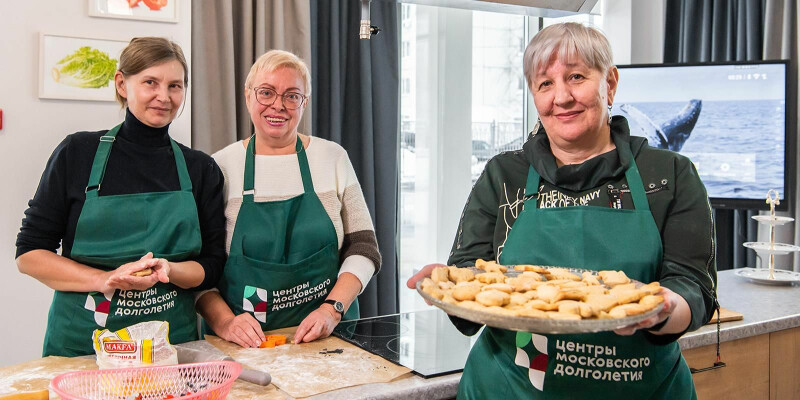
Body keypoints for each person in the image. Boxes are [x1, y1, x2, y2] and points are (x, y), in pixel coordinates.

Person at [407, 23, 716, 399]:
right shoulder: (505, 175)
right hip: (507, 390)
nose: (562, 97)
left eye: (576, 76)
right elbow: (471, 277)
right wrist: (448, 287)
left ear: (611, 83)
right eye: (545, 84)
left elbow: (693, 286)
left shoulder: (669, 175)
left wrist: (664, 307)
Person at [16, 37, 226, 357]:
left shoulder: (201, 169)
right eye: (150, 82)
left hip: (171, 347)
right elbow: (30, 254)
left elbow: (211, 266)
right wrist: (105, 279)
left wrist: (167, 269)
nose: (163, 96)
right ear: (122, 84)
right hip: (84, 346)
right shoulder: (77, 153)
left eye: (175, 86)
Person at [196, 50, 381, 347]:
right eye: (266, 93)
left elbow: (364, 247)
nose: (278, 106)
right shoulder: (220, 167)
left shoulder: (332, 158)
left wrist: (332, 310)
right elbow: (200, 268)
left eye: (292, 96)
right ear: (247, 96)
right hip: (245, 345)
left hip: (329, 338)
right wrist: (226, 322)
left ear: (304, 103)